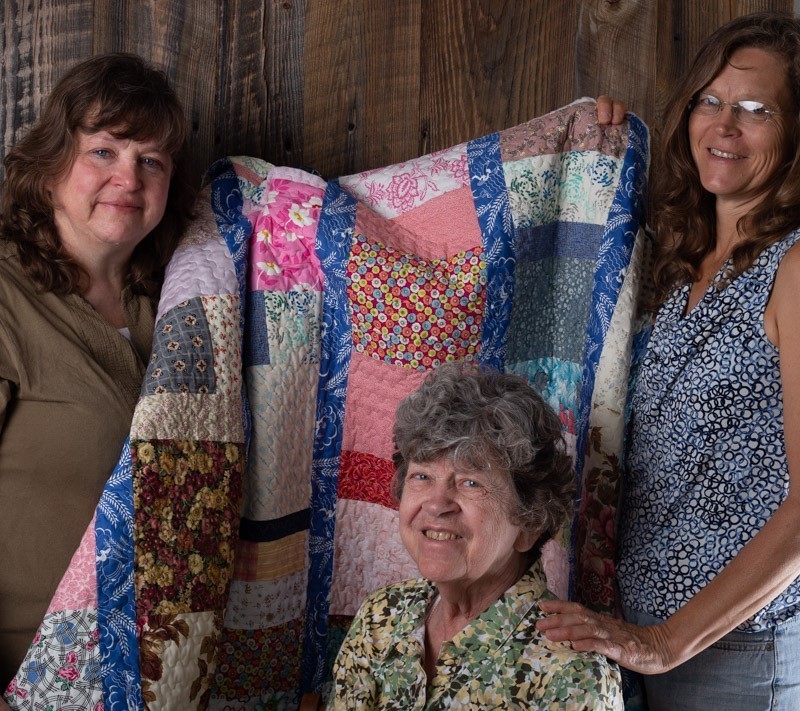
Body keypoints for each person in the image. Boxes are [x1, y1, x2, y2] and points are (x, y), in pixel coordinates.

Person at [536, 11, 800, 710]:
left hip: (736, 652)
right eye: (709, 102)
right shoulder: (676, 265)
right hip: (635, 637)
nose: (724, 128)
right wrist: (599, 147)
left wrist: (668, 642)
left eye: (756, 111)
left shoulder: (796, 268)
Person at [0, 53, 194, 689]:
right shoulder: (6, 295)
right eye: (105, 151)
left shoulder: (178, 299)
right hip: (28, 676)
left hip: (156, 676)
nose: (129, 178)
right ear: (52, 165)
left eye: (151, 160)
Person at [329, 362, 623, 709]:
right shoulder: (381, 616)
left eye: (471, 482)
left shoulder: (572, 675)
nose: (437, 504)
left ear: (529, 521)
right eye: (422, 476)